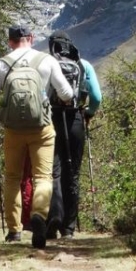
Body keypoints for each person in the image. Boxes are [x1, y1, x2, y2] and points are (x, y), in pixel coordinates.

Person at [0, 24, 73, 249]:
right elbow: (66, 93)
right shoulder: (47, 61)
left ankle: (14, 231)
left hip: (13, 129)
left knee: (12, 178)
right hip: (42, 127)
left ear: (9, 41)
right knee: (43, 176)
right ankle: (39, 216)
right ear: (31, 38)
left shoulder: (1, 64)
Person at [46, 30, 102, 239]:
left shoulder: (48, 63)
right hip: (76, 119)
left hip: (52, 119)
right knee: (73, 172)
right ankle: (69, 228)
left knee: (53, 170)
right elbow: (96, 97)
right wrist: (88, 113)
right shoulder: (83, 64)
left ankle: (54, 217)